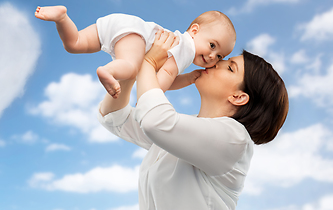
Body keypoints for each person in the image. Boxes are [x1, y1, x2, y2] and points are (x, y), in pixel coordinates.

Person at [98, 31, 289, 209]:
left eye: (230, 68)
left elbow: (154, 121)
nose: (216, 62)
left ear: (238, 97)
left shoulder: (234, 139)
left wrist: (148, 62)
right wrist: (134, 64)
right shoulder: (185, 130)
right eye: (224, 59)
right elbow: (115, 118)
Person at [35, 5, 236, 98]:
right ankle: (108, 71)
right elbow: (161, 82)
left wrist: (190, 78)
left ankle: (61, 18)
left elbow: (168, 76)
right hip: (135, 36)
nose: (212, 57)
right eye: (212, 45)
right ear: (194, 31)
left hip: (119, 23)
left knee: (74, 44)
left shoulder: (179, 56)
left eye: (219, 56)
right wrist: (151, 99)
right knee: (131, 69)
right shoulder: (186, 47)